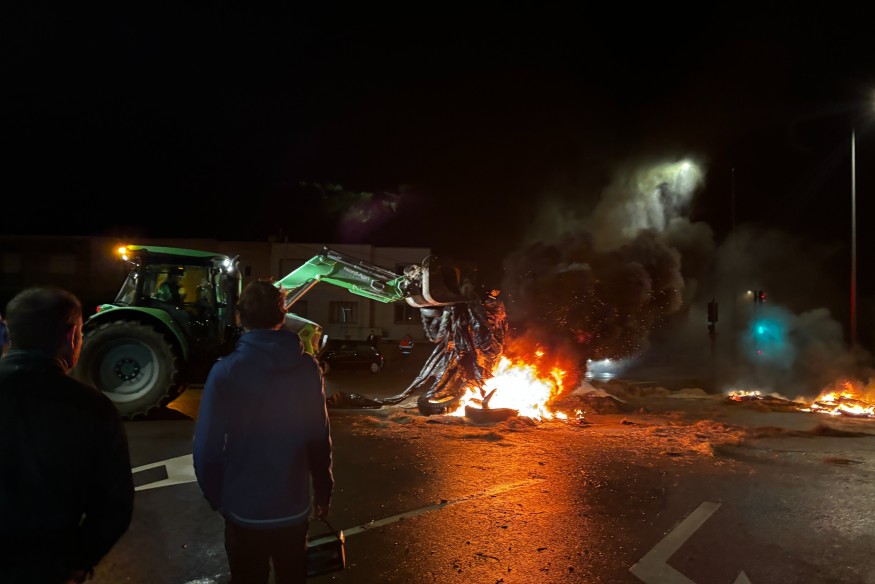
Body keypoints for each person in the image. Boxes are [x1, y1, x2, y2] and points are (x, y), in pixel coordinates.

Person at [193, 280, 334, 584]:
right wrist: (323, 488)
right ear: (281, 317)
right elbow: (318, 435)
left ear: (240, 318)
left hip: (243, 510)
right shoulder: (307, 368)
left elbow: (206, 449)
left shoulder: (226, 371)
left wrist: (219, 498)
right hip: (293, 509)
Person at [0, 286, 134, 583]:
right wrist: (79, 559)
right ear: (72, 335)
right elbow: (114, 504)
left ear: (11, 332)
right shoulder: (91, 406)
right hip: (49, 565)